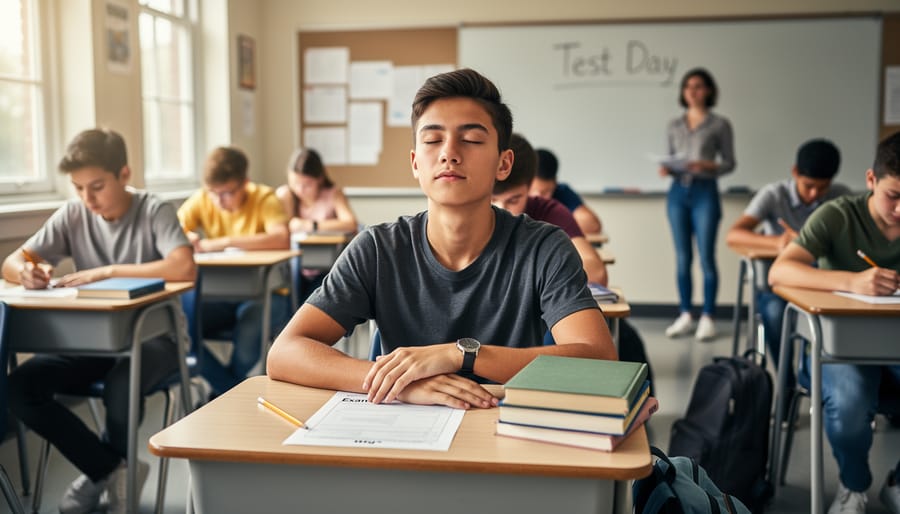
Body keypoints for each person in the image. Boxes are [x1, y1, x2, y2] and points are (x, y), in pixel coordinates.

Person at [267, 68, 617, 409]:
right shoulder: (377, 249)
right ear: (416, 162)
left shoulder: (543, 248)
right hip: (398, 440)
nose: (449, 152)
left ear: (504, 164)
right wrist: (401, 383)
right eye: (433, 140)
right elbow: (285, 352)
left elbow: (599, 361)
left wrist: (461, 354)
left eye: (472, 139)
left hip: (504, 438)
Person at [1, 128, 196, 514]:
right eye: (77, 188)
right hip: (94, 342)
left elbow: (183, 266)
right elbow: (12, 262)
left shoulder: (154, 209)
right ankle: (108, 469)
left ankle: (103, 475)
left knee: (122, 385)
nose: (87, 199)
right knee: (20, 387)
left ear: (124, 174)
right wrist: (26, 272)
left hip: (157, 341)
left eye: (97, 186)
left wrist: (107, 272)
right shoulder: (73, 214)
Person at [768, 131, 900, 514]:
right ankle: (853, 486)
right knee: (848, 402)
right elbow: (780, 271)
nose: (899, 210)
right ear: (871, 181)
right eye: (893, 196)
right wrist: (852, 280)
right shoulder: (839, 214)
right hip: (841, 349)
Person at [493, 133, 655, 394]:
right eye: (493, 200)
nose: (504, 210)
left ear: (530, 187)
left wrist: (544, 276)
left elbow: (597, 270)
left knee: (611, 340)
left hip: (545, 323)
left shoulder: (549, 211)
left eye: (514, 200)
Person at [725, 139, 850, 388]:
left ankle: (812, 376)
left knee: (824, 319)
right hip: (779, 285)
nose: (815, 194)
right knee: (773, 313)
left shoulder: (841, 197)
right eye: (809, 185)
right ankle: (785, 382)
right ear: (795, 173)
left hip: (821, 285)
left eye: (823, 188)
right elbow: (734, 235)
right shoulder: (774, 194)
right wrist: (782, 243)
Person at [177, 146, 291, 397]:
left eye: (227, 193)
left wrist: (221, 242)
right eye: (213, 193)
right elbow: (172, 232)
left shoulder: (264, 198)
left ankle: (220, 395)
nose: (219, 201)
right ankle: (229, 393)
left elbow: (281, 238)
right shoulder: (202, 199)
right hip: (220, 296)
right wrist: (189, 237)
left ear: (245, 184)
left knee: (250, 334)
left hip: (269, 295)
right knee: (178, 325)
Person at [660, 67, 736, 342]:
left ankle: (708, 316)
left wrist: (706, 165)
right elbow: (671, 157)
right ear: (683, 92)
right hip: (678, 192)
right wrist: (667, 168)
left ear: (709, 91)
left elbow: (729, 163)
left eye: (699, 86)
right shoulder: (674, 125)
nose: (693, 91)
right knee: (682, 258)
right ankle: (685, 314)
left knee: (706, 257)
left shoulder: (719, 125)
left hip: (705, 191)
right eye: (688, 86)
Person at [275, 148, 359, 301]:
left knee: (316, 299)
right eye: (295, 183)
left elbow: (350, 223)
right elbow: (283, 231)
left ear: (319, 178)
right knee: (288, 301)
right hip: (293, 270)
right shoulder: (287, 195)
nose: (300, 190)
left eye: (307, 184)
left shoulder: (333, 194)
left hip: (325, 268)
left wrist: (310, 225)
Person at [531, 148, 603, 234]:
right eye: (532, 190)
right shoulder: (517, 194)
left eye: (545, 192)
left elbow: (592, 225)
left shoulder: (562, 192)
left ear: (555, 183)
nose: (538, 197)